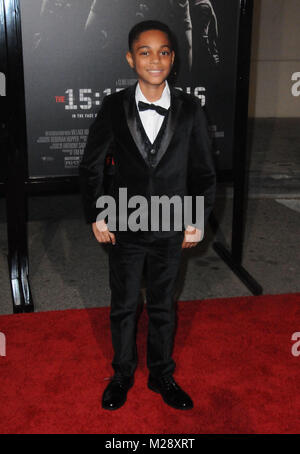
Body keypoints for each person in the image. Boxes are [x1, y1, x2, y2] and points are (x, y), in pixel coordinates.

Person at [79, 20, 216, 411]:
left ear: (173, 58)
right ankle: (122, 374)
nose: (155, 59)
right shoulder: (113, 107)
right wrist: (98, 213)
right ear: (130, 58)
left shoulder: (191, 109)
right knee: (123, 304)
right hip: (125, 223)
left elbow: (204, 173)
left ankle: (161, 375)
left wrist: (197, 218)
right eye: (145, 52)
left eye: (164, 52)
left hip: (173, 226)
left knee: (163, 305)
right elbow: (91, 167)